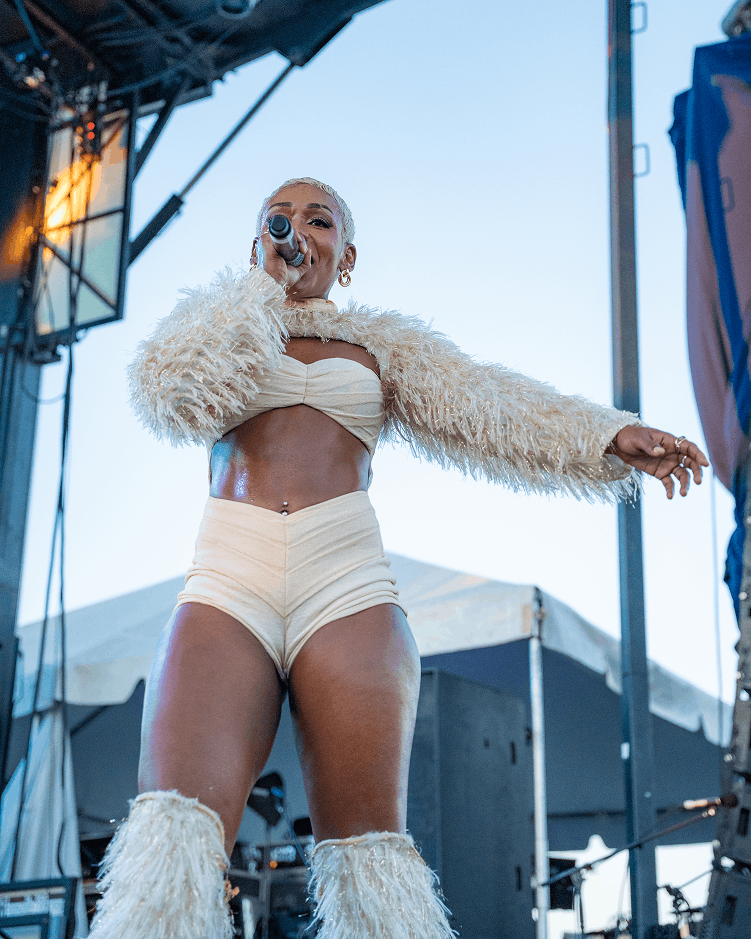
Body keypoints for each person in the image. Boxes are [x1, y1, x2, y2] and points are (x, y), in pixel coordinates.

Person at [88, 178, 709, 939]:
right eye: (280, 220)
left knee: (370, 858)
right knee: (171, 832)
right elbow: (168, 387)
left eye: (320, 221)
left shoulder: (382, 346)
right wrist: (256, 294)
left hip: (343, 578)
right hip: (228, 571)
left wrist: (606, 436)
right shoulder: (225, 327)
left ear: (346, 257)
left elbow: (489, 403)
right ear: (255, 247)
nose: (298, 231)